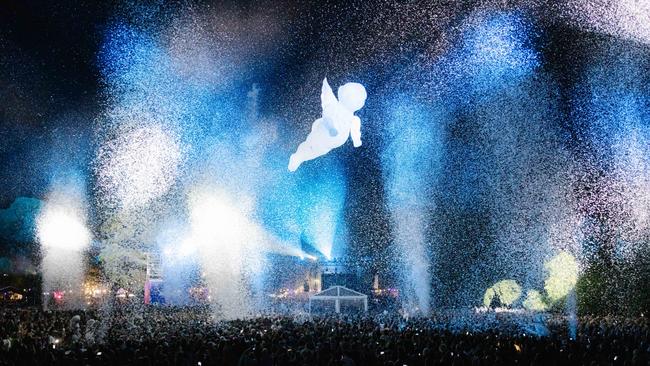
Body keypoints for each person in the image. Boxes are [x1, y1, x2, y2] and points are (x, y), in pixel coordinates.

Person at [288, 78, 367, 172]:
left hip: (328, 144)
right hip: (323, 133)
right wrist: (331, 128)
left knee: (314, 150)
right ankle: (298, 157)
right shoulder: (335, 108)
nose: (360, 102)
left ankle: (300, 157)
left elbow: (355, 131)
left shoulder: (354, 119)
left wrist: (356, 140)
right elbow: (327, 116)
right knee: (310, 146)